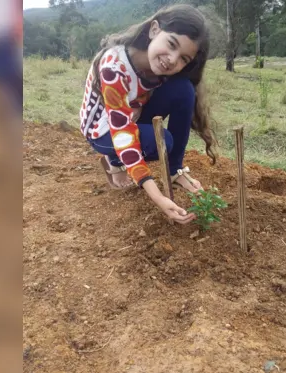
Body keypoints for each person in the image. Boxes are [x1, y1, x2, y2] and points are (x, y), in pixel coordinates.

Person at [78, 4, 218, 225]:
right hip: (103, 129)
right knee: (160, 141)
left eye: (184, 58)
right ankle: (114, 160)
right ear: (154, 29)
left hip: (132, 114)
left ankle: (174, 170)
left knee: (184, 89)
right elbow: (123, 133)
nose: (172, 59)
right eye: (171, 44)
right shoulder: (114, 68)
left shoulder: (162, 66)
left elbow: (167, 92)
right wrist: (157, 196)